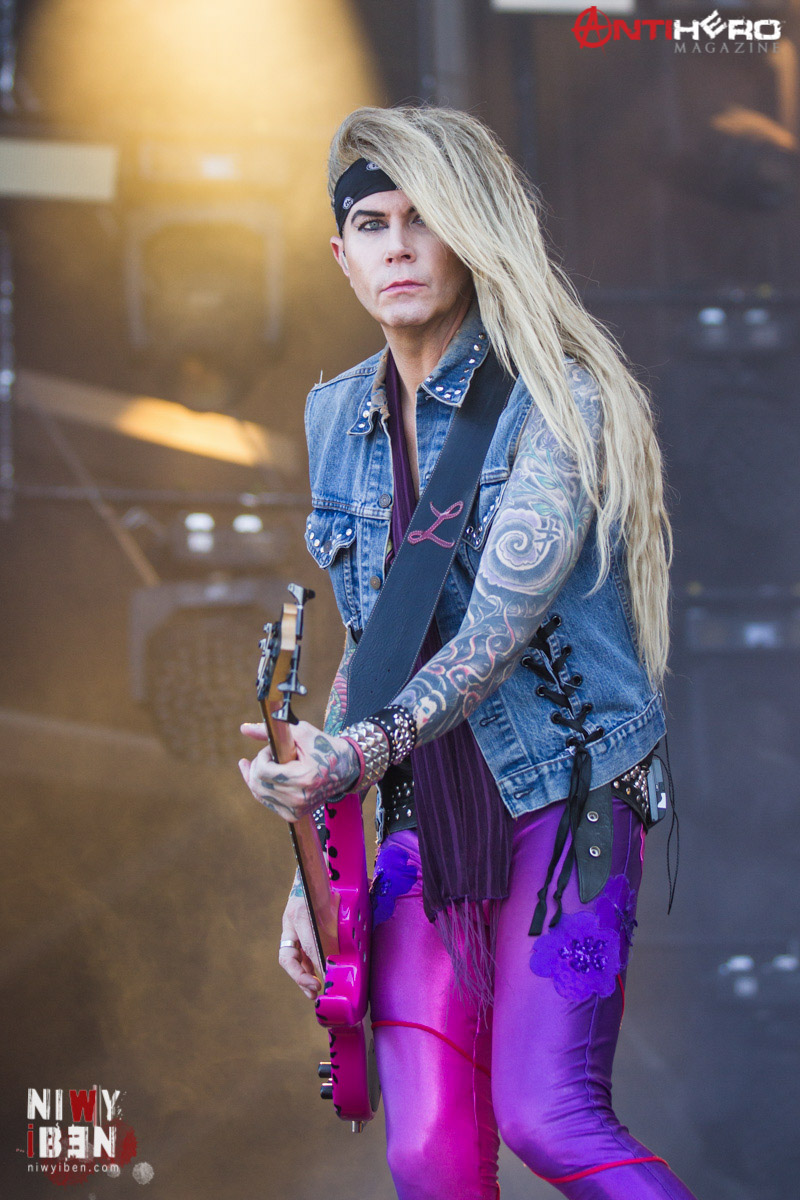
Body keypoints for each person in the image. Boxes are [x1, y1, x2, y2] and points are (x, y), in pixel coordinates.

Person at [238, 106, 698, 1200]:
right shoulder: (336, 416)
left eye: (425, 220)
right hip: (417, 809)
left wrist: (352, 756)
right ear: (340, 254)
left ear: (472, 236)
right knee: (426, 1155)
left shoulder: (556, 397)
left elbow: (494, 632)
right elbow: (374, 640)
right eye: (372, 224)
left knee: (550, 1118)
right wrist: (318, 866)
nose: (398, 247)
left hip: (565, 794)